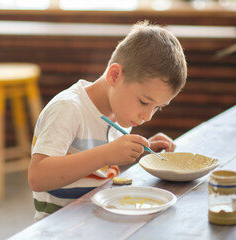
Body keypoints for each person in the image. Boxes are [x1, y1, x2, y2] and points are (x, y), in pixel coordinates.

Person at [28, 20, 187, 221]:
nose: (147, 116)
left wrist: (140, 152)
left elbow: (97, 173)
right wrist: (107, 154)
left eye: (157, 107)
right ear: (114, 75)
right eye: (144, 102)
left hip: (99, 220)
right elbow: (38, 178)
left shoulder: (119, 114)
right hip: (61, 227)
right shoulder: (68, 108)